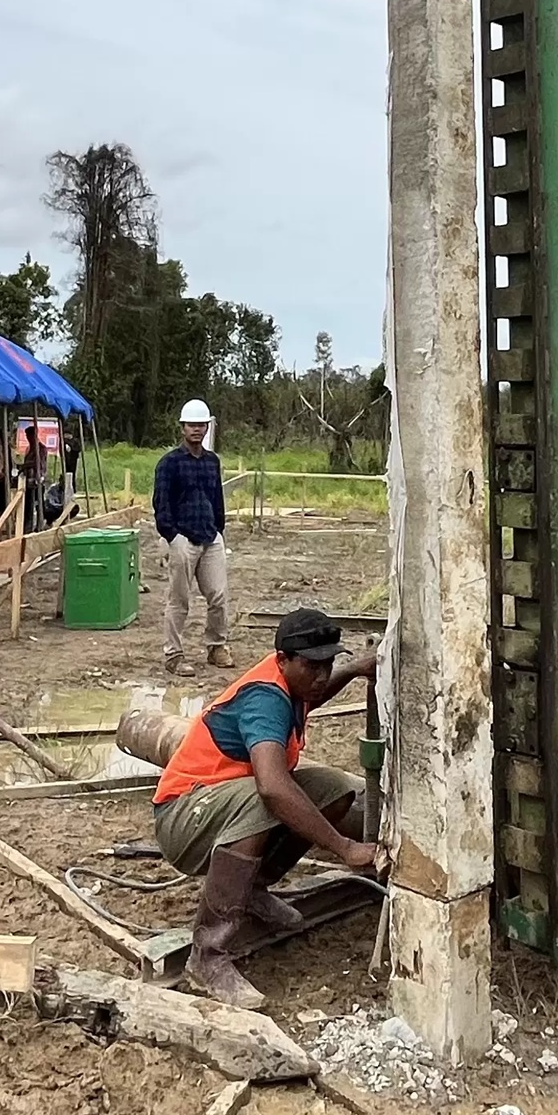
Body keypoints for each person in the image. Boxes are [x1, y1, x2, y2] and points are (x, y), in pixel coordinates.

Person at [151, 607, 382, 1007]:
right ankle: (207, 956)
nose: (322, 675)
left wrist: (355, 668)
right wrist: (345, 848)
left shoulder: (294, 684)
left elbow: (316, 691)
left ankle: (252, 890)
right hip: (183, 815)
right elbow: (273, 789)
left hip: (215, 804)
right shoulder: (265, 699)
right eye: (313, 666)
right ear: (283, 661)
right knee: (270, 797)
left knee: (334, 789)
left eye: (328, 663)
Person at [155, 398, 230, 672]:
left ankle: (217, 646)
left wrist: (219, 530)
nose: (197, 430)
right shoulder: (169, 463)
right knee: (179, 600)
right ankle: (174, 655)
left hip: (211, 538)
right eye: (192, 425)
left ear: (207, 427)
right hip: (182, 539)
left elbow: (217, 498)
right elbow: (161, 504)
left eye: (201, 425)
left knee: (219, 596)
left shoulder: (212, 462)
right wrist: (172, 536)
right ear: (182, 428)